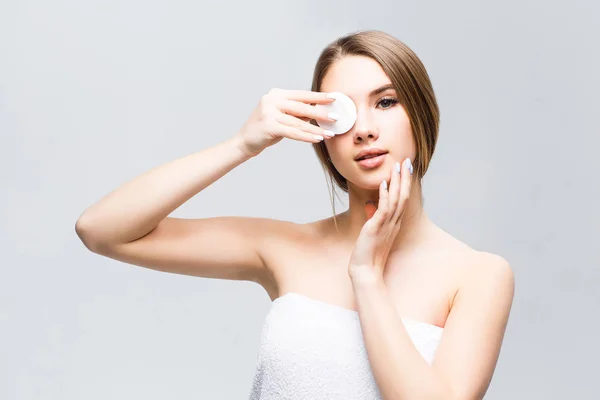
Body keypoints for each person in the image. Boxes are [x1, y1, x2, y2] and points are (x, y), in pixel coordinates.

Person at [75, 30, 515, 400]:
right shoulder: (285, 248)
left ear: (421, 114)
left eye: (385, 102)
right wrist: (241, 145)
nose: (364, 129)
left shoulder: (478, 276)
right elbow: (101, 230)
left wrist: (366, 276)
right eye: (342, 112)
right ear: (322, 135)